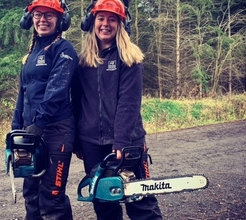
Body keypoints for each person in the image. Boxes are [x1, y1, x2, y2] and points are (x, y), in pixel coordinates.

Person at [72, 0, 163, 219]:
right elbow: (77, 102)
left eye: (112, 19)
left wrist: (120, 141)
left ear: (121, 24)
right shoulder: (83, 60)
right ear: (92, 22)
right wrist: (77, 140)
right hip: (92, 143)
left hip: (127, 142)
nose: (106, 24)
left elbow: (129, 103)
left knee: (140, 203)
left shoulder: (130, 58)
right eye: (101, 18)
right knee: (104, 203)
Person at [11, 0, 78, 219]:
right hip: (31, 129)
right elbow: (24, 91)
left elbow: (56, 90)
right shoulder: (32, 52)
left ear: (61, 20)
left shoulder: (63, 49)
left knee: (52, 196)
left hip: (56, 129)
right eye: (39, 14)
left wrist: (39, 123)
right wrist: (16, 127)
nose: (43, 20)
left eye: (50, 15)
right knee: (31, 193)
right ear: (30, 18)